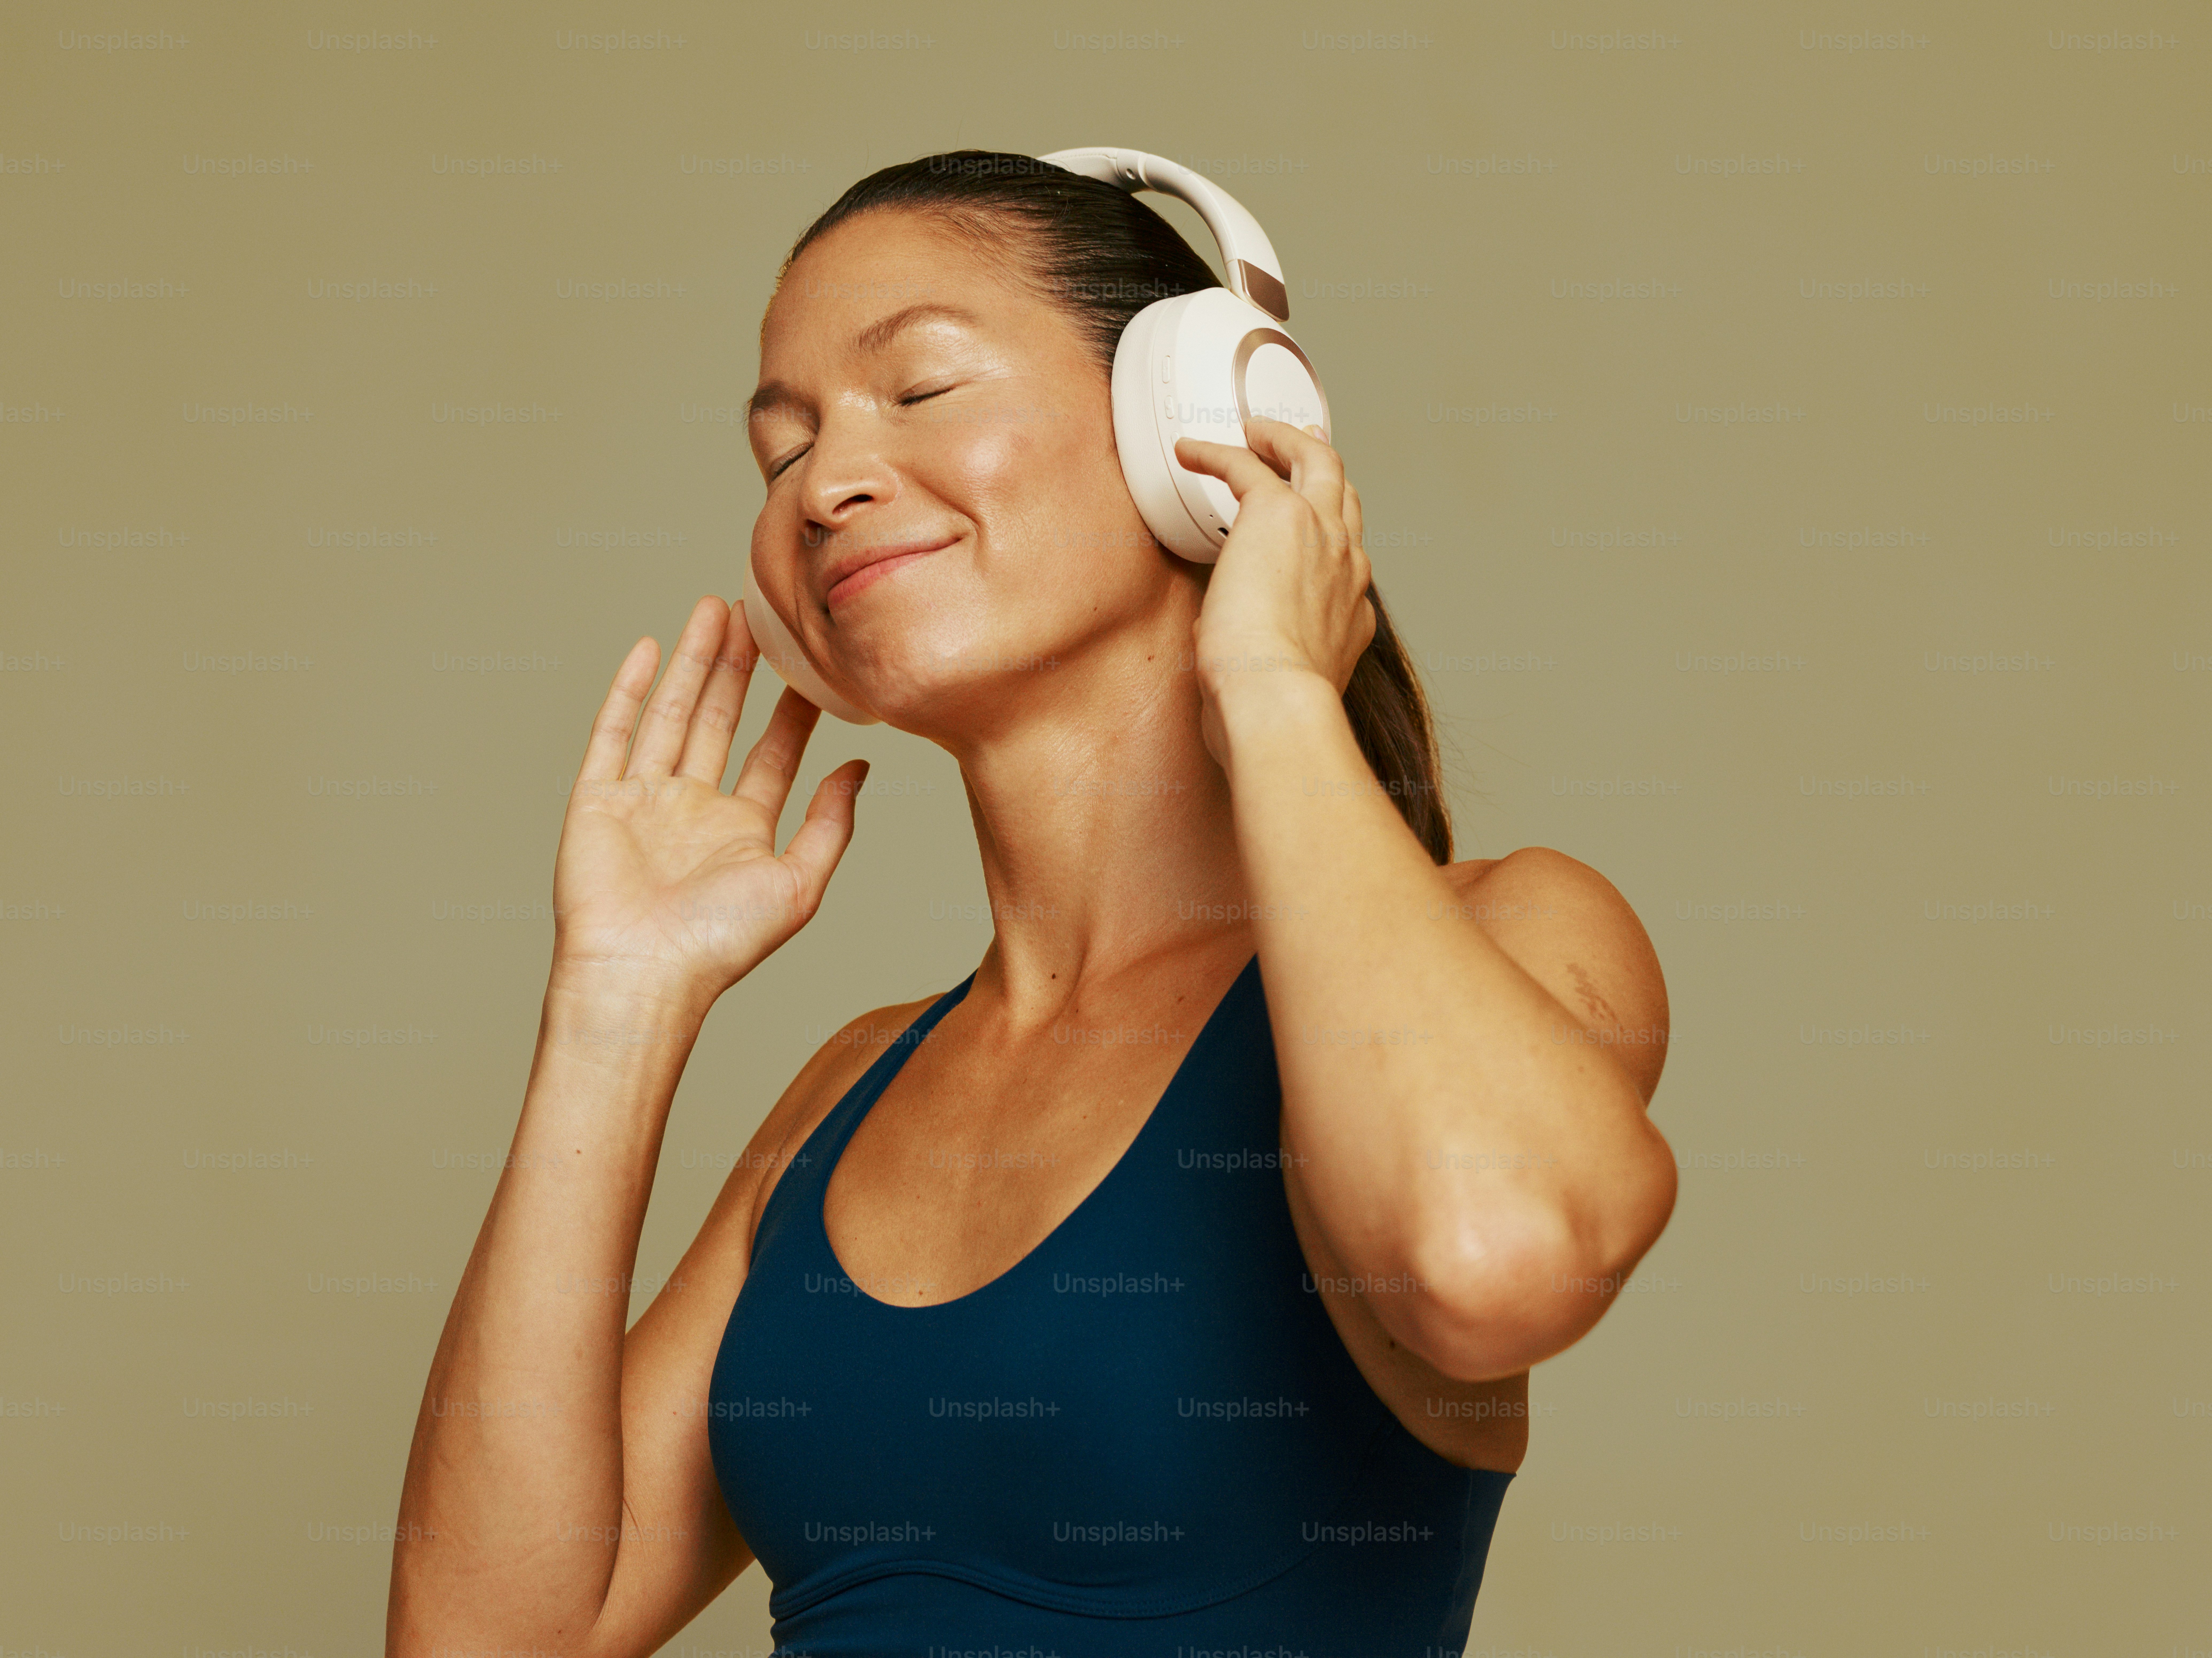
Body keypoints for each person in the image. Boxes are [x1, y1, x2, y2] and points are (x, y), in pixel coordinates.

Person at [387, 150, 1677, 1657]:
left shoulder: (1510, 933)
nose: (823, 485)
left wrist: (1269, 687)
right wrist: (616, 1003)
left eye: (918, 388)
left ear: (1196, 429)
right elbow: (479, 1645)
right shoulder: (844, 1100)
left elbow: (1488, 1261)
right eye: (779, 448)